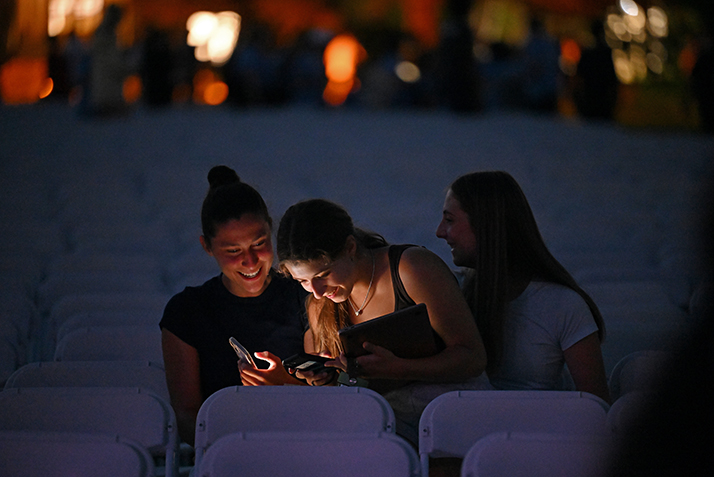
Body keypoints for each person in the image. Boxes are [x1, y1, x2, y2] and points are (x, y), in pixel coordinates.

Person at [276, 198, 489, 443]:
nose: (316, 291)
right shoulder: (320, 308)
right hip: (382, 428)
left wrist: (398, 368)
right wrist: (328, 380)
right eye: (302, 281)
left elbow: (473, 358)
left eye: (323, 274)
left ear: (350, 247)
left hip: (452, 413)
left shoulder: (411, 269)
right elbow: (345, 399)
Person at [160, 166, 309, 446]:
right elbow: (187, 415)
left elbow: (326, 397)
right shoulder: (187, 312)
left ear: (271, 231)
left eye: (259, 243)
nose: (251, 261)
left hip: (302, 442)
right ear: (207, 246)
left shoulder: (304, 295)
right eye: (233, 251)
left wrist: (285, 384)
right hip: (225, 452)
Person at [436, 171, 611, 404]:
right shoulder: (450, 292)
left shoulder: (563, 305)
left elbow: (596, 408)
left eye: (449, 220)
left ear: (486, 224)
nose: (439, 232)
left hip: (537, 435)